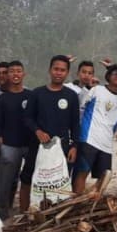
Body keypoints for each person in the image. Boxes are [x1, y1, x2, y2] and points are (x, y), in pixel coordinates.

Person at [24, 54, 80, 183]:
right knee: (28, 180)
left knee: (58, 183)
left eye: (62, 70)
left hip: (62, 147)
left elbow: (75, 124)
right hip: (38, 145)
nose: (58, 73)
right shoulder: (37, 93)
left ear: (67, 73)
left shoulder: (71, 96)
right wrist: (38, 131)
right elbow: (27, 118)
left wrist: (74, 146)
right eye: (56, 69)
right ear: (50, 70)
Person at [74, 63, 117, 193]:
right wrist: (88, 87)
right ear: (108, 76)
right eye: (115, 73)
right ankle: (76, 200)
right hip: (89, 139)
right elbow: (80, 102)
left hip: (106, 144)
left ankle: (92, 201)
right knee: (82, 172)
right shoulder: (97, 89)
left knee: (104, 177)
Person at [0, 60, 34, 219]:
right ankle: (1, 214)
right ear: (8, 75)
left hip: (30, 145)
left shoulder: (31, 96)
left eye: (18, 71)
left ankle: (27, 211)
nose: (15, 74)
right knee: (5, 182)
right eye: (12, 71)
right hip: (9, 145)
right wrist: (0, 141)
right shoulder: (2, 99)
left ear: (24, 74)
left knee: (28, 180)